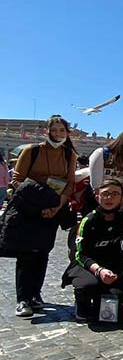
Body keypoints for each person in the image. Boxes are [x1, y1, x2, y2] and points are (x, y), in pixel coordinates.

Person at [10, 115, 77, 317]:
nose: (57, 134)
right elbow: (17, 180)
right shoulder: (32, 150)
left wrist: (57, 206)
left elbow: (70, 184)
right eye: (54, 130)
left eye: (61, 131)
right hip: (29, 208)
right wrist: (37, 204)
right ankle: (23, 298)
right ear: (46, 131)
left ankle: (36, 295)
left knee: (42, 252)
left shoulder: (69, 155)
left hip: (52, 209)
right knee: (26, 253)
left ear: (67, 133)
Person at [63, 179, 123, 323]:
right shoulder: (88, 221)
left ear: (122, 198)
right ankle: (81, 303)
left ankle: (114, 296)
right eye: (106, 194)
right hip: (87, 266)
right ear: (97, 197)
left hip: (112, 268)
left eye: (115, 194)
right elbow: (80, 254)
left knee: (110, 308)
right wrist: (99, 270)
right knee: (88, 286)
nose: (110, 198)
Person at [89, 129, 123, 204]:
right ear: (120, 140)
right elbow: (96, 184)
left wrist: (114, 195)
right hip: (99, 199)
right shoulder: (101, 153)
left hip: (120, 201)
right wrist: (111, 194)